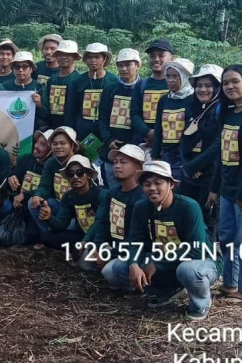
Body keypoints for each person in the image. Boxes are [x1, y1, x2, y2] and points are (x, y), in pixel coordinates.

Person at [103, 160, 218, 321]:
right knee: (112, 270)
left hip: (199, 260)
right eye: (147, 184)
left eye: (158, 183)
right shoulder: (141, 207)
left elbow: (197, 250)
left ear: (171, 184)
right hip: (161, 258)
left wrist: (157, 264)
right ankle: (164, 290)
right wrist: (133, 263)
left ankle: (201, 303)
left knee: (189, 271)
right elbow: (135, 239)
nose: (152, 188)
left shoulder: (188, 207)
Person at [207, 65, 242, 302]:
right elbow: (222, 156)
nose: (230, 86)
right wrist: (214, 188)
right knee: (228, 237)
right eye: (226, 82)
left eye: (235, 81)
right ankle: (230, 284)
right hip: (228, 189)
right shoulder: (227, 114)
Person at [83, 144, 145, 271]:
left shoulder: (143, 197)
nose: (117, 166)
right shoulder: (112, 193)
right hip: (112, 245)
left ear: (138, 167)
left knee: (111, 272)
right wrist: (98, 246)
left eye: (123, 162)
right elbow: (102, 222)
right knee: (83, 260)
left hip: (133, 249)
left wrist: (109, 253)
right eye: (115, 162)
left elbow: (138, 235)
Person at [180, 64, 222, 226]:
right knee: (185, 216)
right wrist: (187, 165)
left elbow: (217, 145)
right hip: (189, 174)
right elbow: (183, 139)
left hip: (210, 175)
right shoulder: (193, 106)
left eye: (208, 85)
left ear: (218, 87)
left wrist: (194, 166)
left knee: (206, 221)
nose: (203, 90)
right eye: (199, 85)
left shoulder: (222, 110)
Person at [98, 48, 147, 188]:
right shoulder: (110, 89)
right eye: (120, 65)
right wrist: (109, 140)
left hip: (136, 148)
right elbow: (102, 118)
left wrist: (132, 145)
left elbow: (143, 119)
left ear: (138, 65)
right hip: (112, 148)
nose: (124, 69)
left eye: (128, 64)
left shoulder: (144, 88)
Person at [38, 155, 103, 251]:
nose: (75, 177)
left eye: (80, 173)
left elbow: (99, 224)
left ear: (89, 175)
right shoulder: (68, 196)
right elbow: (62, 224)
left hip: (100, 237)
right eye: (70, 174)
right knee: (46, 237)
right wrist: (49, 218)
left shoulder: (100, 194)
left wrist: (86, 241)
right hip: (80, 235)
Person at [29, 126, 79, 236]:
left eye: (63, 143)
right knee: (34, 202)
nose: (58, 147)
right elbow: (45, 185)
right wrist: (38, 195)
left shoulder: (80, 162)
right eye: (55, 144)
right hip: (58, 204)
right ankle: (47, 235)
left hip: (76, 211)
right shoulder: (51, 162)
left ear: (73, 145)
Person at [151, 58, 195, 180]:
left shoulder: (192, 100)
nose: (170, 80)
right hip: (166, 154)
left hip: (183, 155)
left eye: (175, 76)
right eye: (168, 76)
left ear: (185, 77)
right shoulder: (164, 100)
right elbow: (158, 128)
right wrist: (155, 154)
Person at [69, 43, 119, 146]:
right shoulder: (78, 81)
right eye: (90, 57)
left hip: (106, 135)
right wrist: (73, 136)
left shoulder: (113, 81)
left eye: (97, 57)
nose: (93, 60)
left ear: (104, 59)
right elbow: (71, 110)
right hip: (82, 134)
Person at [133, 39, 175, 147]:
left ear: (172, 58)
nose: (156, 59)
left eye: (161, 55)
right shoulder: (141, 85)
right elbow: (134, 114)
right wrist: (148, 132)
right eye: (152, 56)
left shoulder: (177, 85)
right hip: (144, 142)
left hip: (169, 143)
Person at [3, 52, 49, 130]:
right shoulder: (5, 86)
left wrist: (39, 104)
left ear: (31, 69)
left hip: (33, 130)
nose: (20, 70)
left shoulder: (39, 87)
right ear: (13, 69)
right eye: (17, 67)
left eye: (24, 67)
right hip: (10, 129)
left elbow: (47, 115)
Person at [8, 130, 52, 208]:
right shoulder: (26, 159)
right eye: (37, 142)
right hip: (17, 203)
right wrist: (11, 177)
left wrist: (25, 195)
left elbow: (48, 191)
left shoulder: (52, 168)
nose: (36, 146)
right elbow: (12, 175)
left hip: (38, 206)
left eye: (42, 144)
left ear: (51, 151)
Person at [45, 40, 82, 129]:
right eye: (61, 54)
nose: (64, 57)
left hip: (72, 128)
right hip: (52, 127)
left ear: (74, 57)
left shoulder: (80, 79)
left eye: (68, 55)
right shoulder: (51, 80)